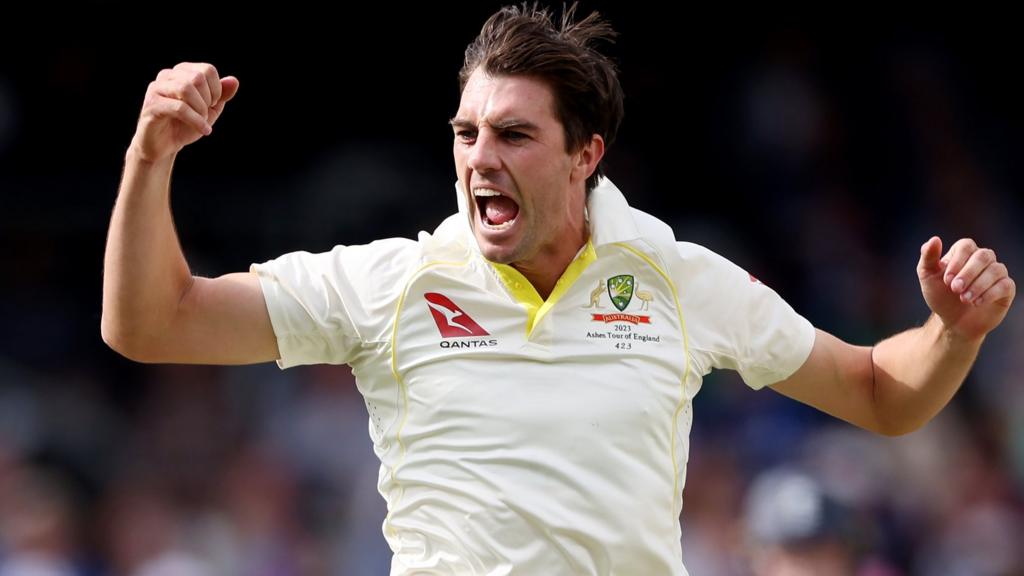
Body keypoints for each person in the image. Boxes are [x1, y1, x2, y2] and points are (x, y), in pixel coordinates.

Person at [100, 5, 1016, 575]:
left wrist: (952, 331)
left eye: (512, 135)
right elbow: (150, 323)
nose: (478, 160)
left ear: (586, 156)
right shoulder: (390, 281)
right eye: (465, 134)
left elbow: (878, 394)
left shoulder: (676, 277)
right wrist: (150, 156)